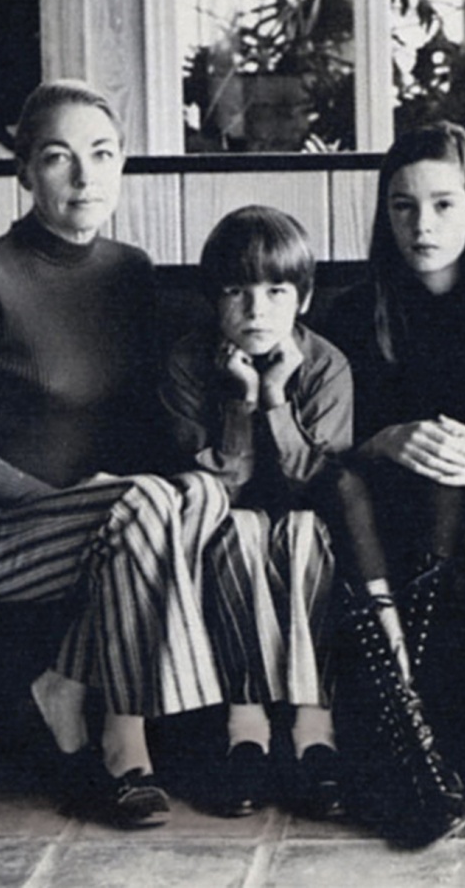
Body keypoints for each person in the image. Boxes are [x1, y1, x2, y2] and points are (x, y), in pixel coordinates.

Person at [0, 80, 233, 828]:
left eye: (102, 154)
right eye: (58, 157)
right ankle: (134, 745)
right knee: (146, 501)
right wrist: (51, 500)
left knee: (200, 494)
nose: (84, 177)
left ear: (121, 166)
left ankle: (63, 682)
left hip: (104, 521)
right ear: (23, 171)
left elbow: (148, 421)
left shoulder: (131, 272)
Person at [322, 121, 465, 844]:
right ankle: (411, 733)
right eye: (404, 206)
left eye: (445, 204)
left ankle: (410, 735)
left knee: (448, 480)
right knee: (383, 479)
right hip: (374, 537)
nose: (423, 224)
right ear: (383, 213)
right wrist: (381, 441)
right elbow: (322, 446)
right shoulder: (348, 315)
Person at [158, 206, 350, 820]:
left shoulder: (326, 367)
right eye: (235, 292)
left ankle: (314, 732)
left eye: (276, 291)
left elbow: (317, 487)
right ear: (212, 301)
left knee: (296, 531)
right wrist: (242, 401)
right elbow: (215, 486)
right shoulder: (187, 364)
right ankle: (247, 731)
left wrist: (276, 399)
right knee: (242, 529)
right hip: (217, 536)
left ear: (305, 299)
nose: (255, 310)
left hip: (309, 533)